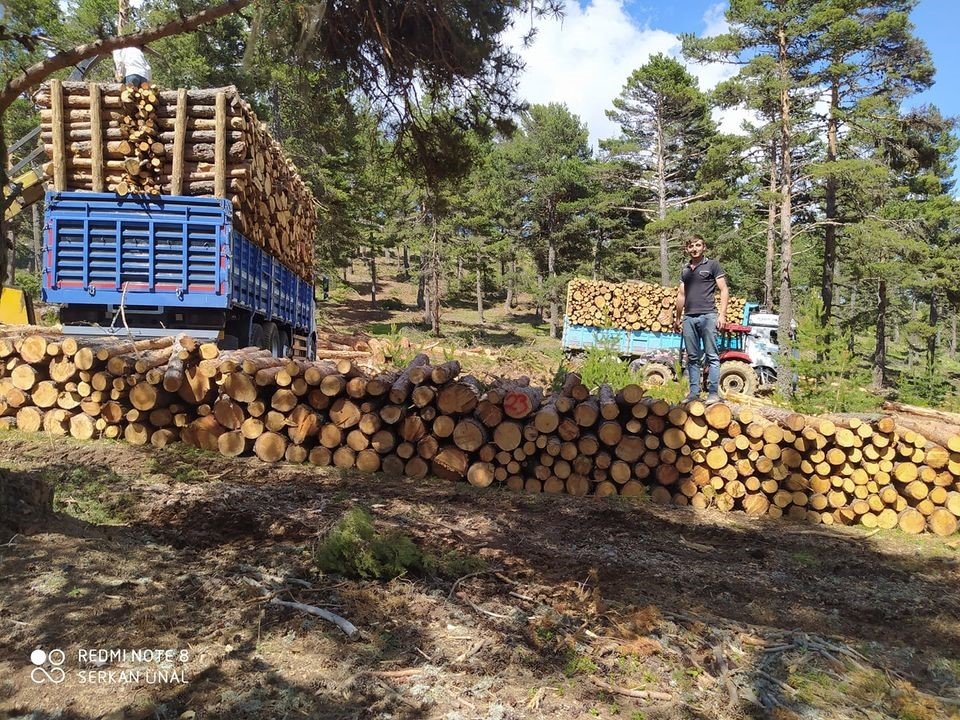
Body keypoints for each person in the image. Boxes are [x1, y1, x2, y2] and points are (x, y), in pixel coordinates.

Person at [676, 235, 728, 405]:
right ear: (687, 249)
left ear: (704, 247)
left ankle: (713, 393)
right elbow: (681, 295)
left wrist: (722, 314)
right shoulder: (685, 270)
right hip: (689, 318)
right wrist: (678, 318)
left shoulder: (712, 265)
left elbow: (724, 289)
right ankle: (693, 393)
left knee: (712, 356)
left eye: (698, 245)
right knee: (692, 357)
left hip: (708, 316)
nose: (695, 248)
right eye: (691, 246)